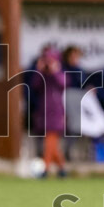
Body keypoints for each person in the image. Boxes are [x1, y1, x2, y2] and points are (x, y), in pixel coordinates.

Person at [31, 46, 67, 177]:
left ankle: (45, 169)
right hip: (43, 112)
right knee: (52, 143)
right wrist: (39, 70)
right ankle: (62, 169)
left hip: (56, 112)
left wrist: (54, 71)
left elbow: (63, 84)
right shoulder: (42, 76)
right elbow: (35, 86)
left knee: (50, 140)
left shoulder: (60, 74)